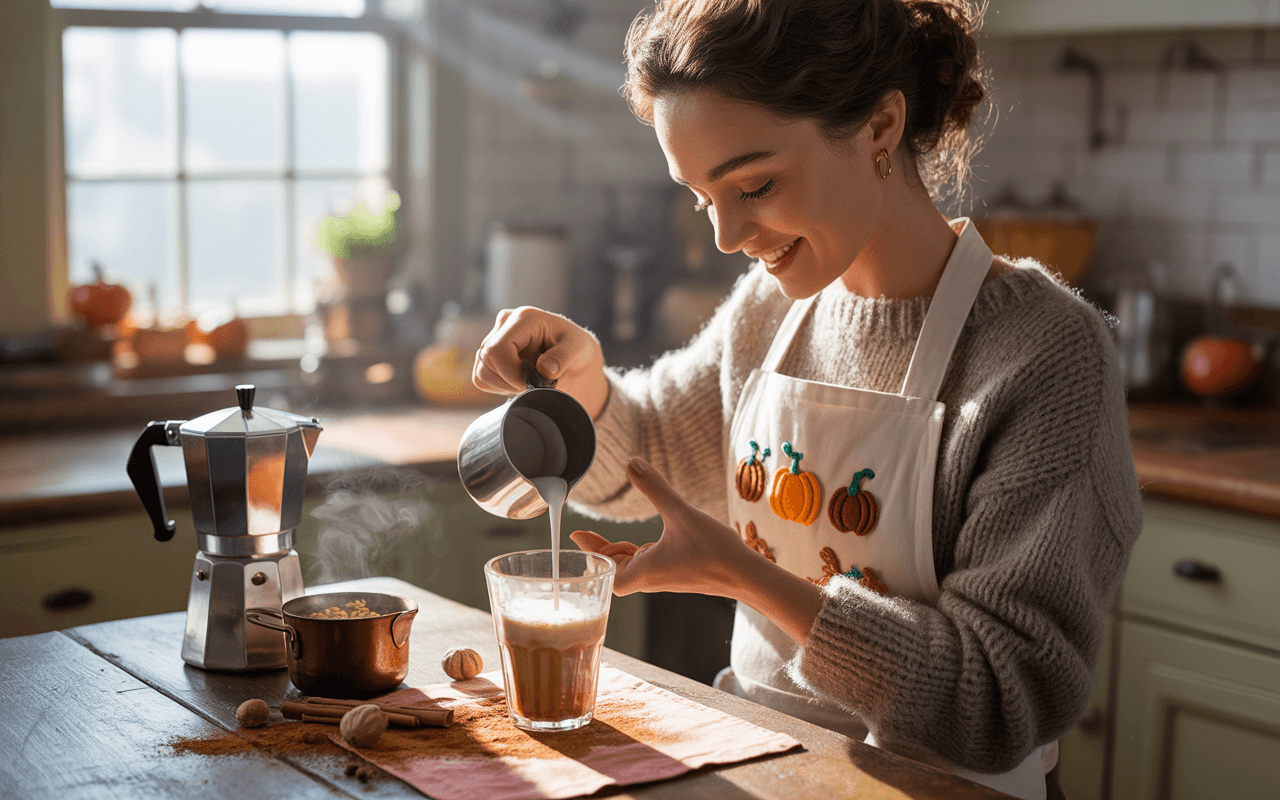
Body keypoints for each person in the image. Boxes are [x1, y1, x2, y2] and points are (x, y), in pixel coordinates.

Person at [471, 1, 1142, 798]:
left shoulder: (1044, 355)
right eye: (699, 196)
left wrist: (751, 578)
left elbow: (1002, 699)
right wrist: (586, 392)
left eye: (754, 184)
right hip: (765, 772)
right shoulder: (770, 308)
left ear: (880, 128)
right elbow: (651, 449)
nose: (724, 235)